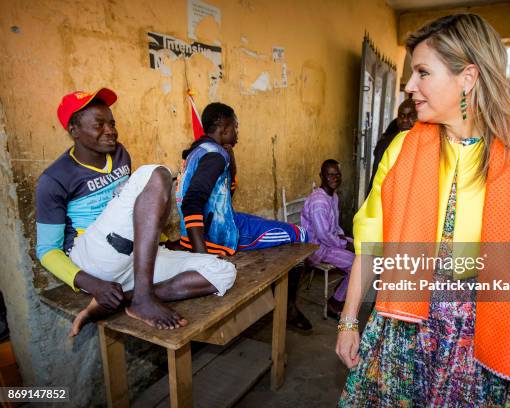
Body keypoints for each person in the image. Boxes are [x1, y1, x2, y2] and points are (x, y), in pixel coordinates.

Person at [336, 14, 510, 406]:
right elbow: (370, 242)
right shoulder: (403, 150)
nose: (409, 86)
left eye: (422, 72)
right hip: (402, 326)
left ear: (467, 77)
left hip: (482, 336)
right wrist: (349, 323)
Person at [36, 89, 236, 336]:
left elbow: (134, 208)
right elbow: (46, 251)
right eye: (99, 125)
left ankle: (128, 298)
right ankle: (142, 299)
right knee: (156, 172)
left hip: (129, 265)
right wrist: (95, 285)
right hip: (95, 263)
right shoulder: (55, 178)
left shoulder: (119, 154)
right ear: (73, 130)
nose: (110, 130)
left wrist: (163, 243)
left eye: (112, 123)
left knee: (222, 271)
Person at [176, 102, 312, 330]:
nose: (238, 133)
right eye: (235, 127)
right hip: (218, 236)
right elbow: (192, 202)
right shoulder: (216, 156)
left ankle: (276, 302)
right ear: (223, 126)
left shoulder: (198, 151)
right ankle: (287, 308)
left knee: (265, 225)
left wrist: (229, 153)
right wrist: (203, 258)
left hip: (219, 222)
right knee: (300, 234)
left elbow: (223, 195)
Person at [301, 159, 354, 319]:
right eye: (329, 175)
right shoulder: (319, 201)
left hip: (328, 242)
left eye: (337, 175)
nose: (334, 179)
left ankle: (343, 288)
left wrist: (347, 239)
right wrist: (344, 244)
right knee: (357, 265)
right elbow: (323, 235)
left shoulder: (333, 196)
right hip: (316, 249)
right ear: (321, 176)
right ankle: (335, 303)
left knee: (359, 246)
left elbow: (334, 227)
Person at [367, 98, 417, 193]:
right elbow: (375, 178)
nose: (405, 120)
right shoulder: (386, 144)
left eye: (411, 116)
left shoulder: (428, 144)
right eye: (401, 116)